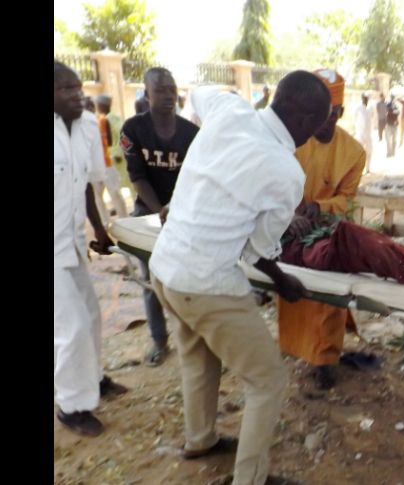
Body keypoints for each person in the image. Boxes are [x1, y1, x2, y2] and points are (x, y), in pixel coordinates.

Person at [149, 71, 332, 485]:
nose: (319, 130)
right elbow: (257, 251)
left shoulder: (229, 107)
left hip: (165, 267)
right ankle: (250, 479)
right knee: (267, 380)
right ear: (304, 120)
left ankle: (201, 439)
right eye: (320, 121)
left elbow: (196, 93)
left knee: (197, 355)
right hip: (206, 283)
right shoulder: (286, 172)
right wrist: (282, 280)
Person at [277, 69, 367, 390]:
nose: (320, 122)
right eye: (314, 115)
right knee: (295, 294)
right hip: (291, 228)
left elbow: (348, 200)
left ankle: (326, 359)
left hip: (329, 233)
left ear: (340, 112)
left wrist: (321, 207)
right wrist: (291, 214)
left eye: (329, 114)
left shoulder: (354, 152)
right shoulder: (293, 141)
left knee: (330, 297)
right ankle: (301, 349)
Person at [54, 61, 127, 437]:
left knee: (92, 315)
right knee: (72, 326)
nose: (76, 94)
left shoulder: (84, 126)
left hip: (74, 240)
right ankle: (70, 405)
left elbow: (86, 185)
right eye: (65, 88)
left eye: (77, 87)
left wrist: (99, 228)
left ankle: (93, 379)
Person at [120, 67, 200, 367]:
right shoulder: (133, 130)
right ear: (146, 93)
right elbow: (137, 176)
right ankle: (159, 339)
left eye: (172, 89)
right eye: (161, 90)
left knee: (189, 274)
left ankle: (194, 334)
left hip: (184, 211)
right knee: (152, 277)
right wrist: (160, 210)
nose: (168, 95)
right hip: (148, 212)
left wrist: (177, 208)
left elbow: (195, 177)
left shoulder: (191, 133)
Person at [93, 95, 129, 222]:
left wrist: (116, 153)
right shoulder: (107, 119)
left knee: (113, 193)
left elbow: (112, 140)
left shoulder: (105, 120)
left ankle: (122, 220)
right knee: (102, 195)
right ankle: (108, 221)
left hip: (107, 161)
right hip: (100, 163)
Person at [96, 94, 135, 199]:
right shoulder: (106, 118)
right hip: (111, 155)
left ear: (102, 105)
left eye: (98, 105)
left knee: (129, 182)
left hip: (116, 156)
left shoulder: (110, 119)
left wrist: (119, 152)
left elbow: (123, 132)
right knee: (115, 183)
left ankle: (136, 205)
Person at [354, 92, 374, 174]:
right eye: (364, 98)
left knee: (369, 151)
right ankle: (358, 170)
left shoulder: (370, 108)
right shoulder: (358, 108)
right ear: (362, 98)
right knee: (359, 152)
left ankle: (368, 169)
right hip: (360, 133)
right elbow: (355, 118)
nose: (366, 99)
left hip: (368, 133)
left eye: (367, 98)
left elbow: (372, 117)